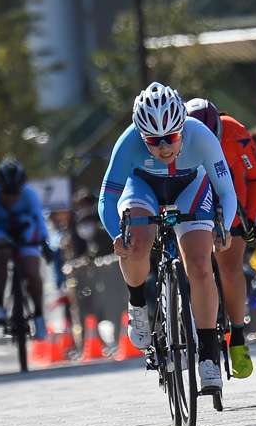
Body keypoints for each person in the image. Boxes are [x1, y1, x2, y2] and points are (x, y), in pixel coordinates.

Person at [98, 81, 237, 392]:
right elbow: (108, 196)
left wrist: (223, 226)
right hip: (142, 188)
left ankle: (209, 357)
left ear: (182, 129)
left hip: (190, 188)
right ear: (140, 134)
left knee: (200, 264)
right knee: (137, 243)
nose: (163, 147)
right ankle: (137, 306)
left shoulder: (200, 135)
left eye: (171, 138)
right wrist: (115, 234)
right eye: (153, 140)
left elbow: (227, 191)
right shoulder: (128, 142)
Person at [185, 97, 256, 378]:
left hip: (231, 199)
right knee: (194, 265)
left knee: (230, 268)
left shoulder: (236, 132)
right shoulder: (176, 136)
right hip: (193, 199)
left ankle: (239, 337)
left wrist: (251, 218)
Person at [0, 159, 50, 340]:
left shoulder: (29, 195)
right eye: (6, 192)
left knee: (32, 270)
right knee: (3, 252)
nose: (10, 198)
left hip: (24, 228)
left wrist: (46, 245)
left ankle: (39, 315)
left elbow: (40, 222)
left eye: (15, 192)